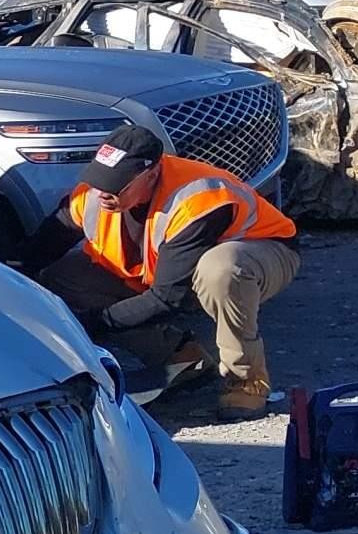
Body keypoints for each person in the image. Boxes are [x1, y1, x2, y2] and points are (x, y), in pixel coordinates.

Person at [40, 123, 298, 418]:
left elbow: (166, 298)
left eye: (117, 185)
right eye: (100, 180)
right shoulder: (95, 193)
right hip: (169, 269)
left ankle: (246, 381)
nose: (103, 193)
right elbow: (41, 247)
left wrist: (91, 325)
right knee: (65, 276)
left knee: (221, 271)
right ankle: (181, 355)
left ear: (150, 176)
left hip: (262, 254)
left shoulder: (196, 199)